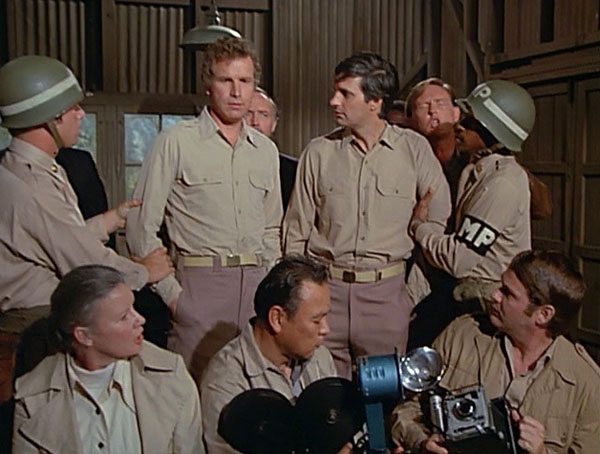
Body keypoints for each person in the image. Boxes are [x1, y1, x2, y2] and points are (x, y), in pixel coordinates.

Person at [0, 55, 172, 401]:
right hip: (34, 331)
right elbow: (83, 262)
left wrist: (109, 220)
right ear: (49, 118)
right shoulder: (33, 186)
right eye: (73, 109)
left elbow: (54, 237)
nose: (80, 115)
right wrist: (144, 272)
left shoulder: (29, 168)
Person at [283, 52, 451, 377]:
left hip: (386, 299)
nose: (333, 101)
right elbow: (296, 231)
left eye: (345, 93)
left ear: (375, 101)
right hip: (325, 295)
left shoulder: (413, 150)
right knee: (322, 392)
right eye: (335, 91)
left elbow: (437, 225)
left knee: (382, 397)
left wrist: (410, 293)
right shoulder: (318, 153)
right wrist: (301, 296)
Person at [127, 37, 283, 380]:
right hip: (199, 289)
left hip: (255, 290)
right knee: (193, 396)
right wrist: (174, 298)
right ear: (208, 85)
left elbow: (272, 227)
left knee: (252, 393)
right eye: (226, 80)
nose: (236, 92)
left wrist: (270, 282)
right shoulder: (176, 142)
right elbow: (139, 227)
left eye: (245, 81)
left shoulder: (265, 151)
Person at [392, 250, 600, 454]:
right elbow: (407, 410)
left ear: (543, 314)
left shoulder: (585, 384)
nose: (494, 295)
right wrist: (421, 442)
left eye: (507, 293)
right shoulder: (463, 334)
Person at [12, 265, 203, 453]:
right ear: (84, 336)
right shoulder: (32, 399)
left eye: (133, 308)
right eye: (124, 317)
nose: (140, 320)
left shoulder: (171, 376)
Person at [406, 80, 537, 349]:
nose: (459, 125)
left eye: (470, 121)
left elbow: (459, 259)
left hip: (484, 299)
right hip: (465, 289)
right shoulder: (479, 170)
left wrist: (420, 227)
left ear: (493, 132)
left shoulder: (502, 184)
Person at [200, 254, 337, 453]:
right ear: (277, 318)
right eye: (316, 320)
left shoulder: (320, 358)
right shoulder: (225, 380)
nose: (326, 329)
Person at [245, 87, 298, 211]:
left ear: (274, 124)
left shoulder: (293, 170)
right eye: (248, 113)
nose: (255, 122)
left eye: (263, 115)